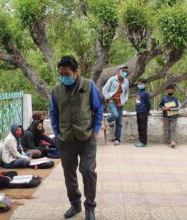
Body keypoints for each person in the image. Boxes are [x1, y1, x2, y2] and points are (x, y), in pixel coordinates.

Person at [50, 55, 103, 220]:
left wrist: (95, 130)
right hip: (65, 140)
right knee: (69, 174)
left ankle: (90, 207)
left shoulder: (88, 85)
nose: (63, 77)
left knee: (88, 171)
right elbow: (53, 113)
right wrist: (57, 133)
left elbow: (98, 108)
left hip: (86, 138)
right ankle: (75, 204)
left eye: (66, 74)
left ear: (75, 72)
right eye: (61, 74)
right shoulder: (56, 91)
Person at [102, 65, 129, 145]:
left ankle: (117, 140)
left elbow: (127, 92)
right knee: (116, 115)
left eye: (126, 71)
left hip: (120, 102)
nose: (124, 72)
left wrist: (124, 100)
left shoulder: (126, 81)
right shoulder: (112, 79)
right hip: (112, 101)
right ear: (118, 71)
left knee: (119, 123)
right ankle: (108, 119)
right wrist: (108, 98)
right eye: (123, 71)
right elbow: (105, 89)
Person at [134, 78, 151, 147]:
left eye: (141, 84)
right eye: (139, 84)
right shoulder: (138, 92)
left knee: (143, 127)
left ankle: (144, 142)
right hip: (138, 112)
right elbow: (137, 102)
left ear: (145, 84)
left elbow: (148, 104)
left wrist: (147, 111)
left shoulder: (146, 93)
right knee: (139, 127)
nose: (140, 85)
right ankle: (140, 140)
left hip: (143, 112)